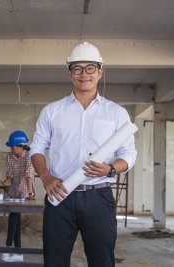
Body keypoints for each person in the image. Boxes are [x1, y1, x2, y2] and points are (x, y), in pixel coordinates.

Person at [30, 42, 137, 267]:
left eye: (90, 68)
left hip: (99, 196)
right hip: (60, 195)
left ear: (100, 72)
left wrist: (110, 168)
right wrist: (46, 176)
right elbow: (37, 148)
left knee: (102, 260)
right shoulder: (52, 111)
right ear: (70, 73)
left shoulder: (116, 112)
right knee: (54, 260)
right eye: (77, 68)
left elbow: (129, 152)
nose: (84, 74)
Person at [0, 130, 35, 263]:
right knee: (15, 219)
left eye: (12, 146)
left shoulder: (29, 156)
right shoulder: (9, 156)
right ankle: (18, 252)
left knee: (13, 219)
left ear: (20, 146)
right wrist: (6, 179)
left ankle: (9, 248)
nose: (10, 148)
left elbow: (29, 174)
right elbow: (10, 173)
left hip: (25, 193)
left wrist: (31, 193)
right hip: (14, 192)